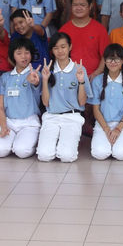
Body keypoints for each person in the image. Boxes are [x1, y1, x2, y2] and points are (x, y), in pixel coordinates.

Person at [37, 33, 92, 162]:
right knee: (44, 156)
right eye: (56, 48)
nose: (60, 51)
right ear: (52, 50)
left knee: (66, 156)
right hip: (51, 116)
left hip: (72, 117)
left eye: (63, 47)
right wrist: (44, 79)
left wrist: (81, 81)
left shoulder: (79, 69)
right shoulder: (48, 70)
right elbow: (45, 102)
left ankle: (63, 145)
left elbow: (82, 102)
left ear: (70, 47)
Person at [0, 37, 42, 158]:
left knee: (22, 151)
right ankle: (12, 141)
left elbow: (36, 83)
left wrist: (34, 82)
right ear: (12, 56)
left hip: (29, 122)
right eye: (19, 53)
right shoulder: (5, 78)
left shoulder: (35, 74)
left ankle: (27, 142)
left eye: (27, 52)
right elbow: (0, 107)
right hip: (8, 121)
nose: (24, 56)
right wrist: (3, 126)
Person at [89, 44, 123, 160]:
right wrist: (106, 129)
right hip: (102, 124)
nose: (113, 62)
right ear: (104, 61)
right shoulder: (97, 81)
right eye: (110, 59)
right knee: (99, 154)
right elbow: (96, 109)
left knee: (121, 154)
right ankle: (110, 145)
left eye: (117, 59)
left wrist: (118, 129)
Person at [59, 0, 109, 78]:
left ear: (90, 6)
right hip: (70, 77)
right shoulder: (64, 30)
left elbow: (106, 55)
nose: (78, 8)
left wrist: (96, 73)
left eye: (82, 5)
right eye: (75, 5)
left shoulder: (100, 29)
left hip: (94, 78)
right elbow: (59, 56)